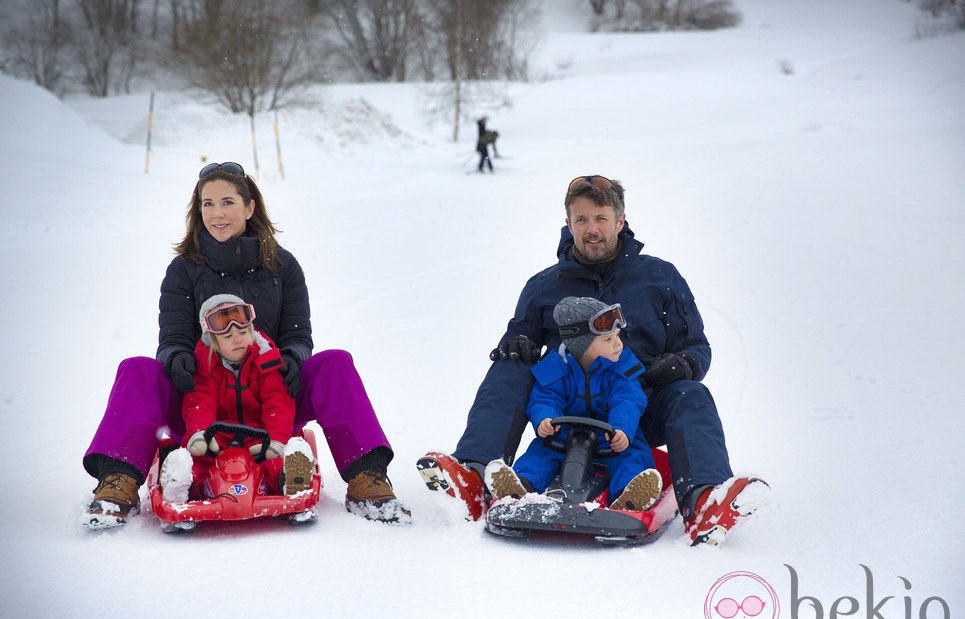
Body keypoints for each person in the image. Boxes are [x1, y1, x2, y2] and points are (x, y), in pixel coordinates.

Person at [418, 174, 769, 546]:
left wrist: (683, 364)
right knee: (509, 369)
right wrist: (517, 344)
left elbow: (697, 346)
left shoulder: (660, 277)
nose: (592, 229)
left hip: (636, 408)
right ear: (568, 224)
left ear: (620, 221)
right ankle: (473, 478)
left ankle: (704, 502)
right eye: (582, 220)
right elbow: (517, 342)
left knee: (690, 393)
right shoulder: (543, 287)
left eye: (601, 218)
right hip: (564, 411)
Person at [83, 161, 411, 528]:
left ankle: (368, 480)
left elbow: (298, 334)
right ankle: (118, 484)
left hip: (271, 393)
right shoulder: (183, 269)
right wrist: (176, 359)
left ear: (250, 207)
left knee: (335, 363)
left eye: (227, 202)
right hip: (203, 397)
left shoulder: (282, 266)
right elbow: (172, 337)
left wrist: (293, 358)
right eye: (207, 204)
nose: (216, 213)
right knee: (137, 369)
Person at [484, 297, 662, 512]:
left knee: (632, 456)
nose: (618, 344)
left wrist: (622, 429)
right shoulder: (556, 366)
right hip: (564, 436)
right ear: (582, 346)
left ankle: (630, 496)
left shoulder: (621, 366)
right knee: (539, 455)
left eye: (617, 336)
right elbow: (544, 398)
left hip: (611, 437)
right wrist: (545, 419)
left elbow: (629, 400)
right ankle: (520, 487)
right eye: (607, 340)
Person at [159, 294, 315, 504]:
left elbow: (277, 403)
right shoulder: (205, 365)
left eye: (243, 331)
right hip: (217, 436)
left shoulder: (267, 361)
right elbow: (199, 402)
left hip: (260, 434)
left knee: (273, 460)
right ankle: (183, 484)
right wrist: (200, 434)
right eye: (228, 337)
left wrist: (276, 440)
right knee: (200, 459)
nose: (238, 339)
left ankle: (289, 479)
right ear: (213, 342)